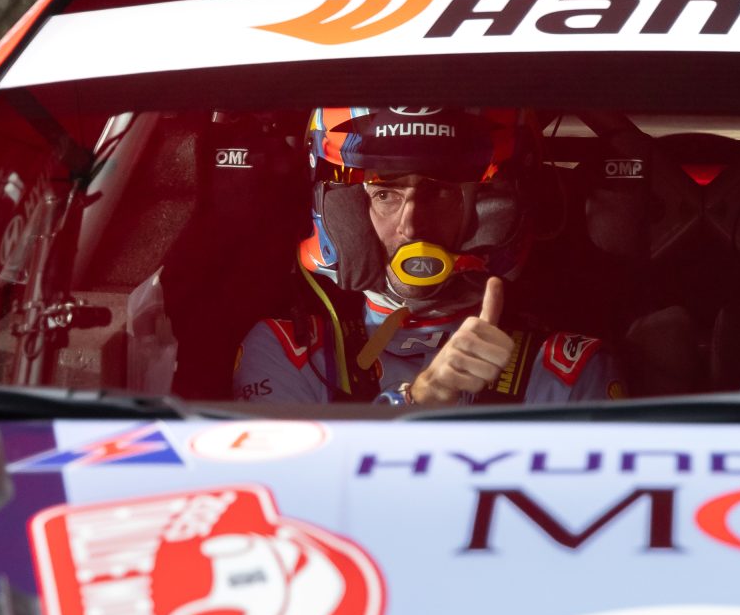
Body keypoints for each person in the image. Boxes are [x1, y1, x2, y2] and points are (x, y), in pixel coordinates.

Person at [234, 106, 620, 406]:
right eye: (385, 194)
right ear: (346, 213)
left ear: (493, 210)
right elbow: (287, 484)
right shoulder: (291, 351)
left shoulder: (566, 369)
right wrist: (421, 400)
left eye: (440, 193)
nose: (412, 226)